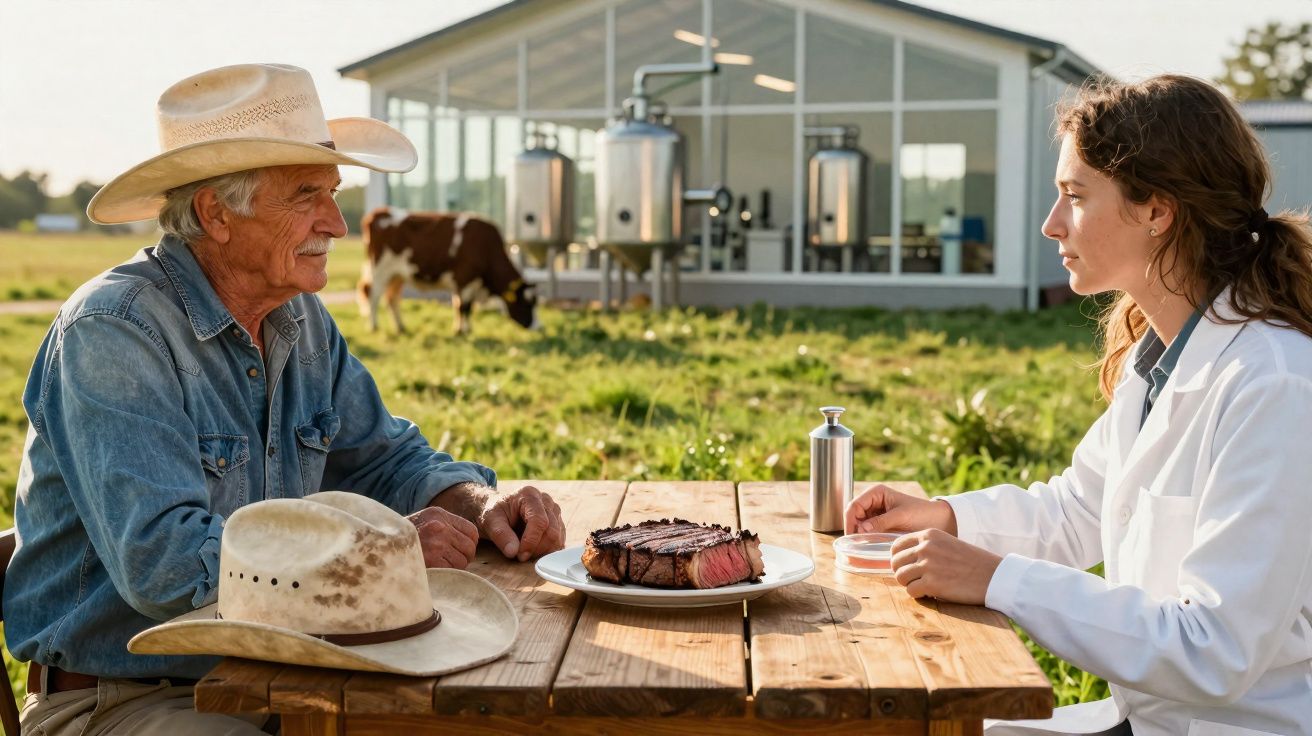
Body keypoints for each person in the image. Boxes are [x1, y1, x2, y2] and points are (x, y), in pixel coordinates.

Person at [6, 63, 565, 736]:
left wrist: (482, 504)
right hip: (132, 699)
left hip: (297, 671)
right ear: (217, 213)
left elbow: (386, 462)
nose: (337, 223)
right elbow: (165, 566)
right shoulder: (116, 332)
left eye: (333, 193)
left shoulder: (300, 322)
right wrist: (375, 554)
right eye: (307, 194)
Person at [847, 75, 1312, 736]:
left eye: (1074, 197)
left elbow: (1216, 648)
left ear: (1157, 210)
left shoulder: (1275, 385)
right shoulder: (1160, 357)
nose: (1051, 224)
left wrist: (998, 580)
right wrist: (947, 517)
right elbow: (1078, 508)